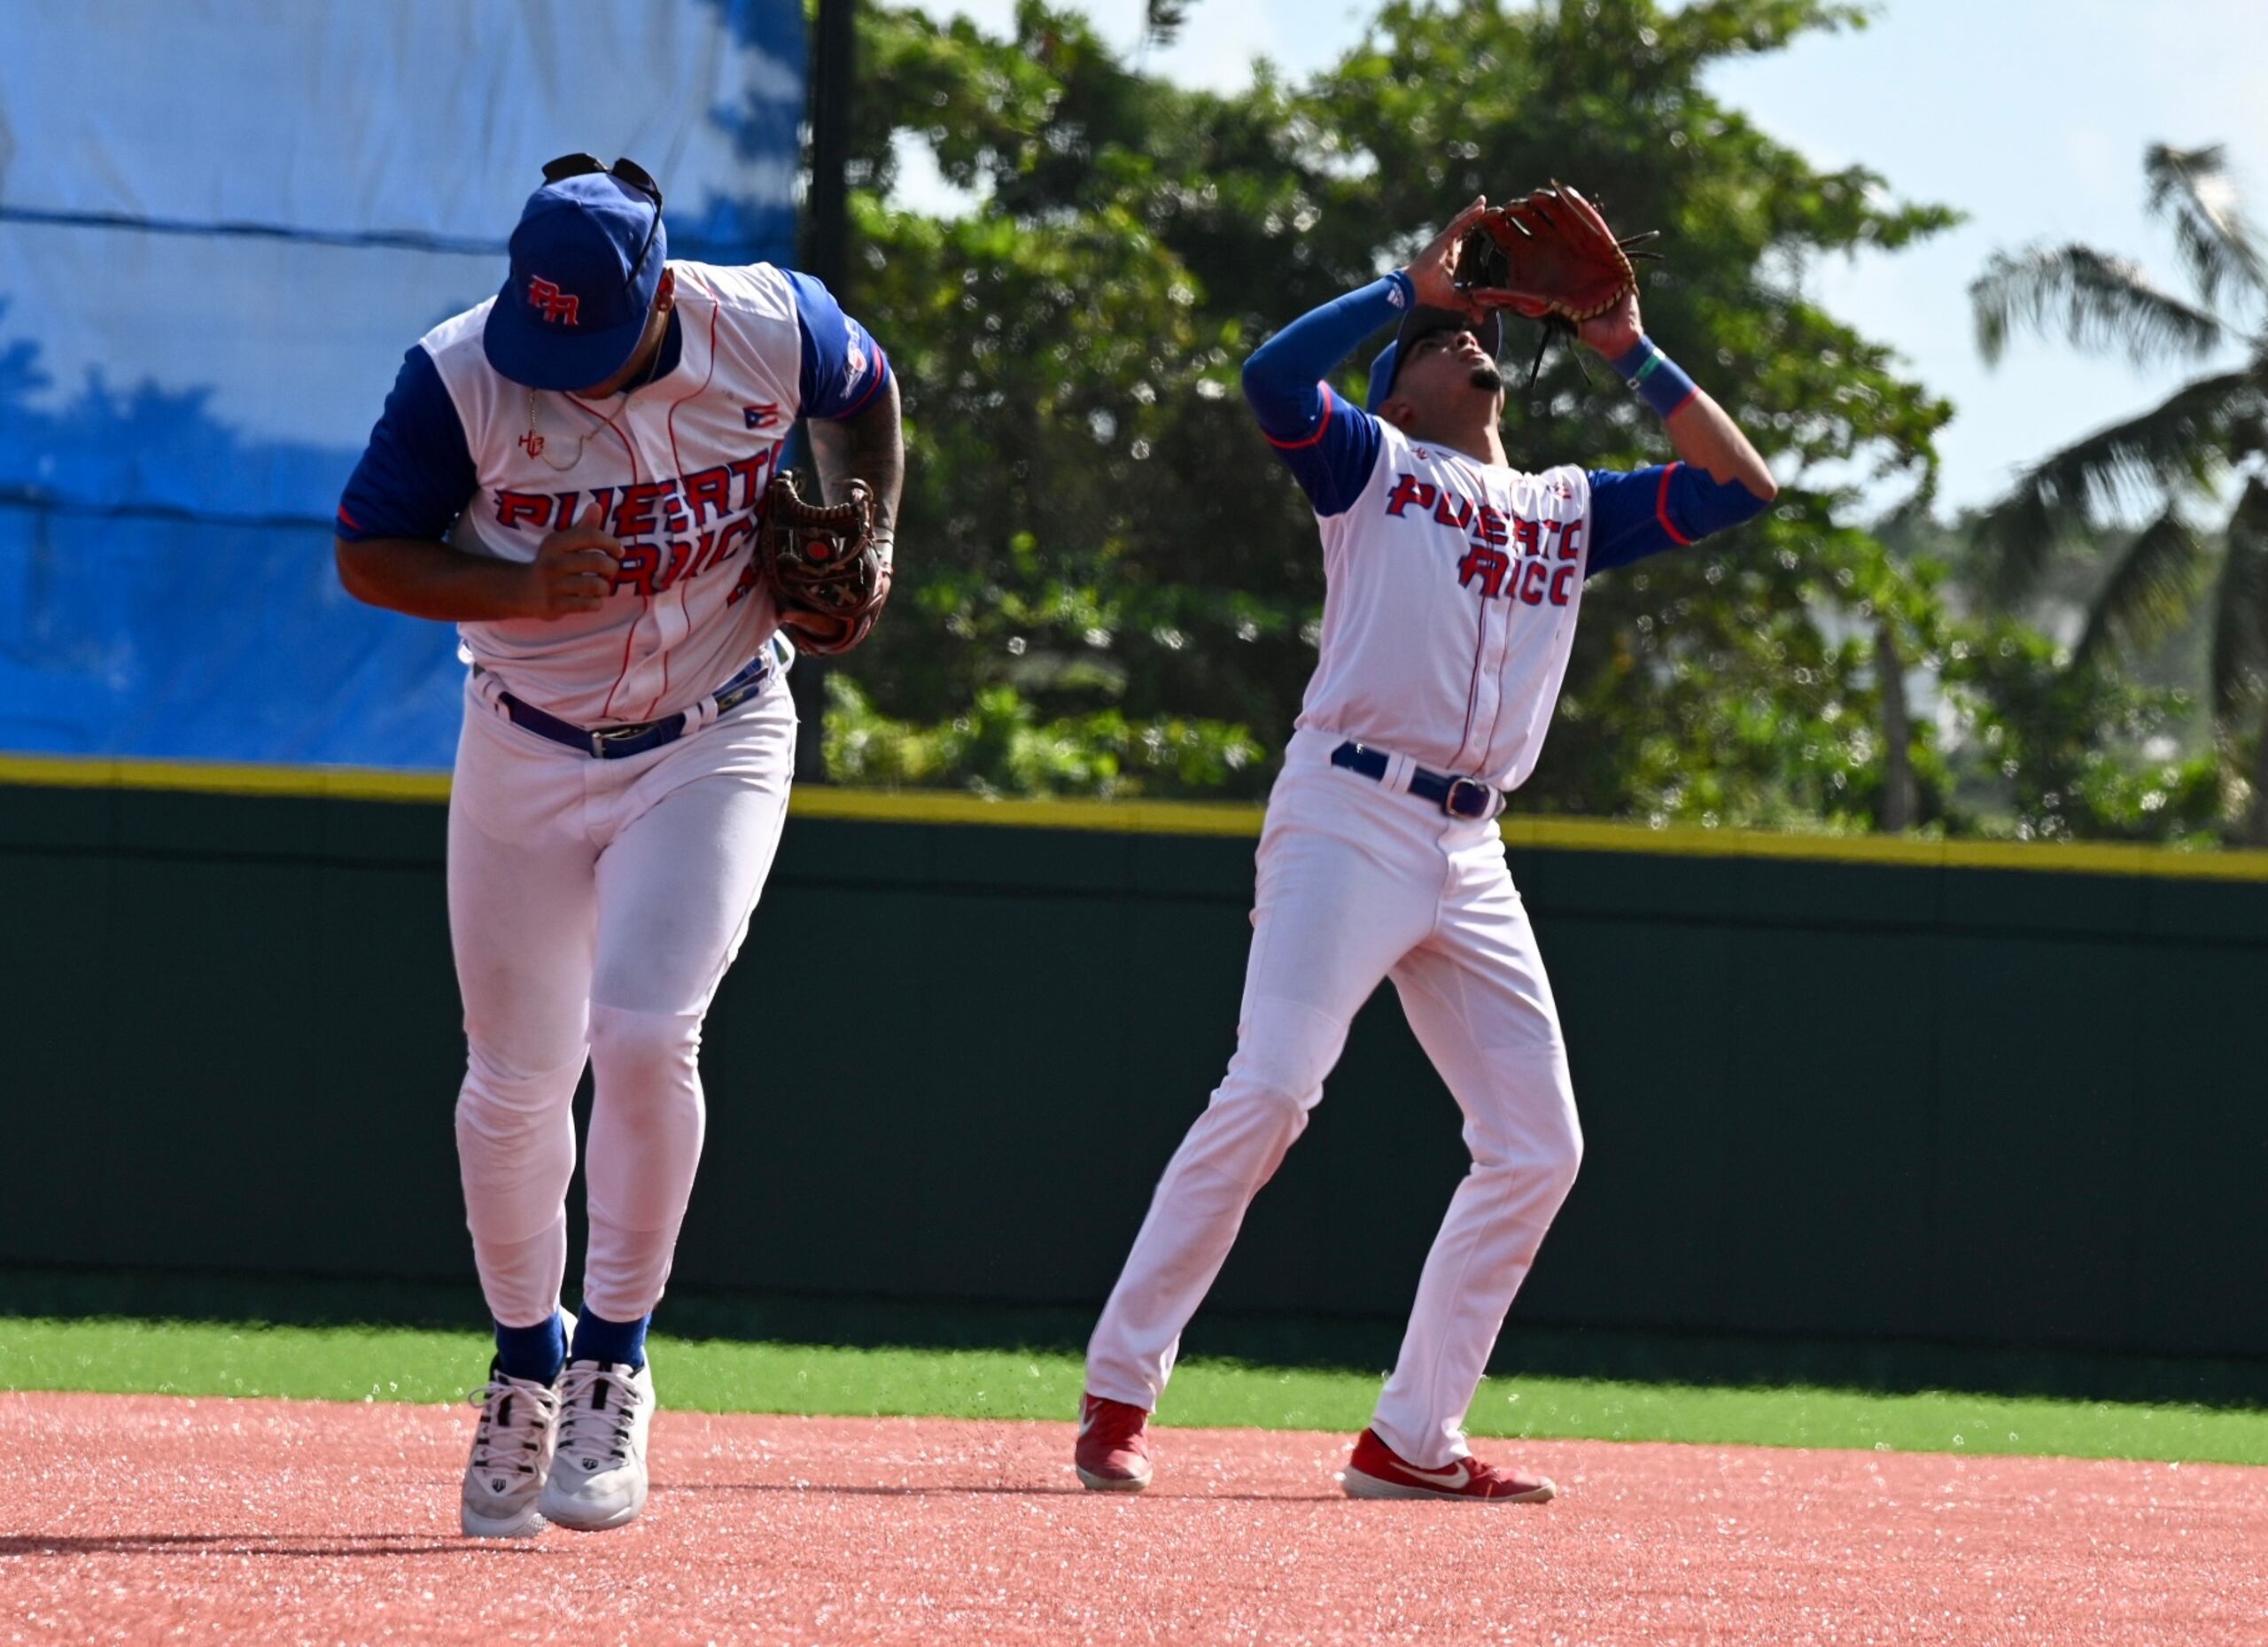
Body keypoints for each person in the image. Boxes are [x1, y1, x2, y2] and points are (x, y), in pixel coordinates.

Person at [1074, 197, 1775, 1502]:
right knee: (1273, 1090)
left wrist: (1626, 345)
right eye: (1446, 341)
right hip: (1347, 813)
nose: (1470, 342)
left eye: (1475, 334)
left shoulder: (1570, 509)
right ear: (1394, 395)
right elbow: (1272, 376)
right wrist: (1405, 295)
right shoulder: (1371, 469)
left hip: (1472, 847)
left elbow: (1744, 486)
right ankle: (1121, 1387)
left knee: (1538, 1147)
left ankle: (1412, 1436)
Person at [333, 153, 902, 1536]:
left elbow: (871, 392)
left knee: (646, 1032)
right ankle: (524, 1363)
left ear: (657, 292)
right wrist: (516, 586)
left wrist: (872, 530)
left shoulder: (769, 320)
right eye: (545, 332)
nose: (559, 363)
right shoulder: (462, 375)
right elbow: (368, 551)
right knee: (514, 1085)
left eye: (584, 335)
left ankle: (615, 1360)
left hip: (716, 731)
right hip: (525, 744)